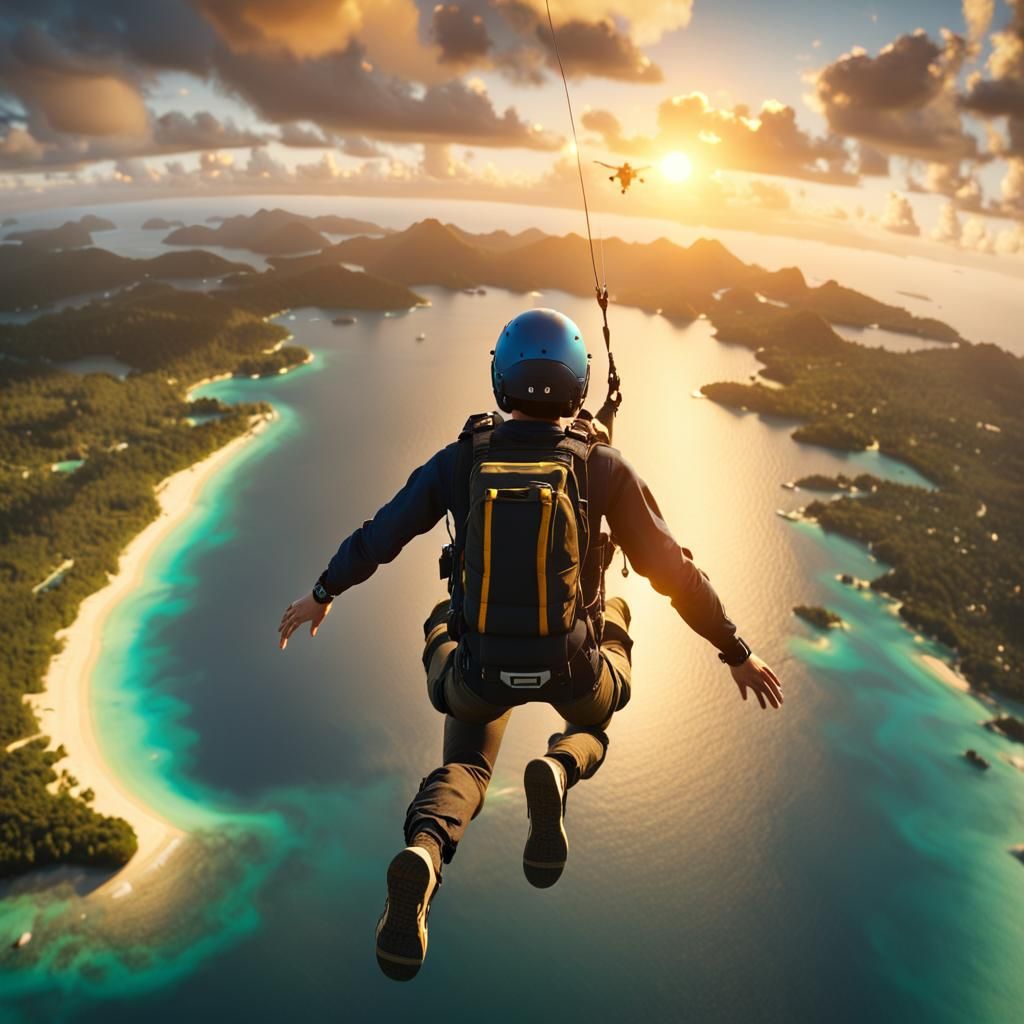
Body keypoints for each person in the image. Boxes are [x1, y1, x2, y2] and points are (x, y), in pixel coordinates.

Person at [277, 308, 783, 982]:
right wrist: (735, 650)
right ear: (578, 385)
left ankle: (426, 854)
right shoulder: (600, 466)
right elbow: (675, 572)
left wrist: (323, 590)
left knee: (465, 756)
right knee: (602, 701)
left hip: (480, 675)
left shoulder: (463, 460)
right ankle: (560, 767)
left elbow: (383, 534)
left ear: (500, 378)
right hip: (572, 669)